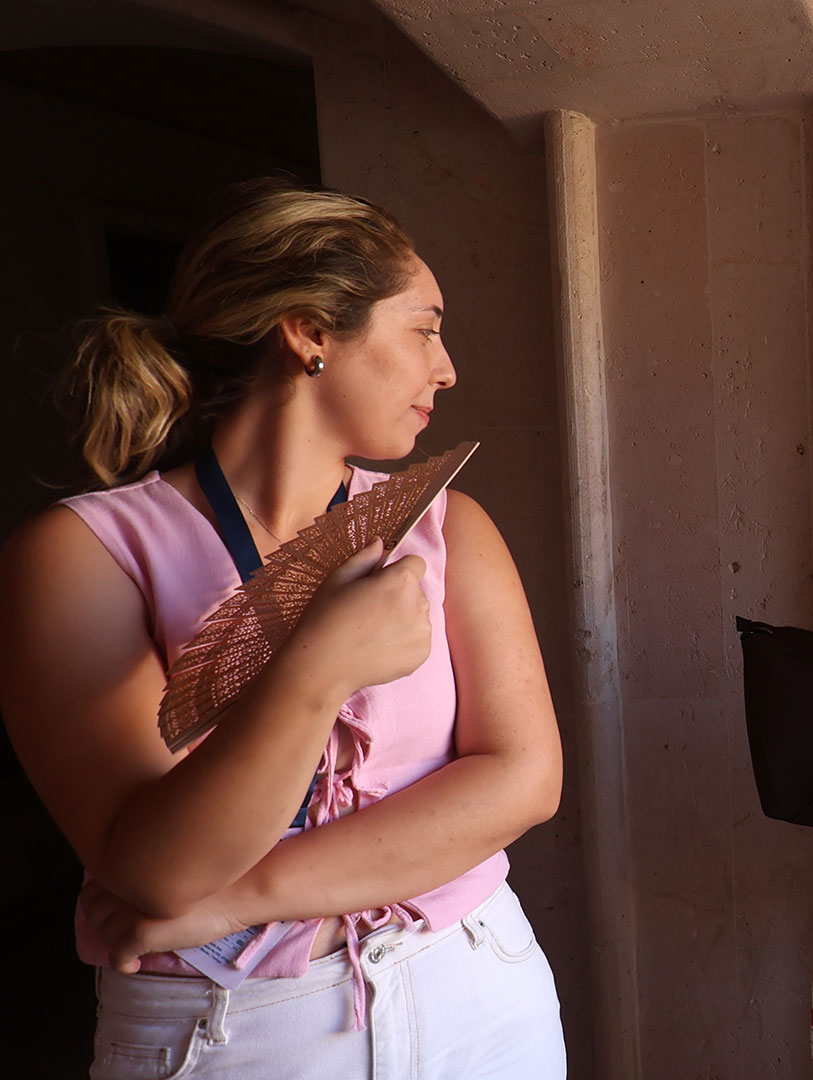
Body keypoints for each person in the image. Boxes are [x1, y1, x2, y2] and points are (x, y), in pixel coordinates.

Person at [0, 179, 566, 1078]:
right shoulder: (81, 553)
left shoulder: (448, 526)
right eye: (424, 329)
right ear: (309, 332)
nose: (447, 368)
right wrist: (318, 667)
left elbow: (525, 781)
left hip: (477, 986)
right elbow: (158, 872)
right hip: (231, 1025)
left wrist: (239, 901)